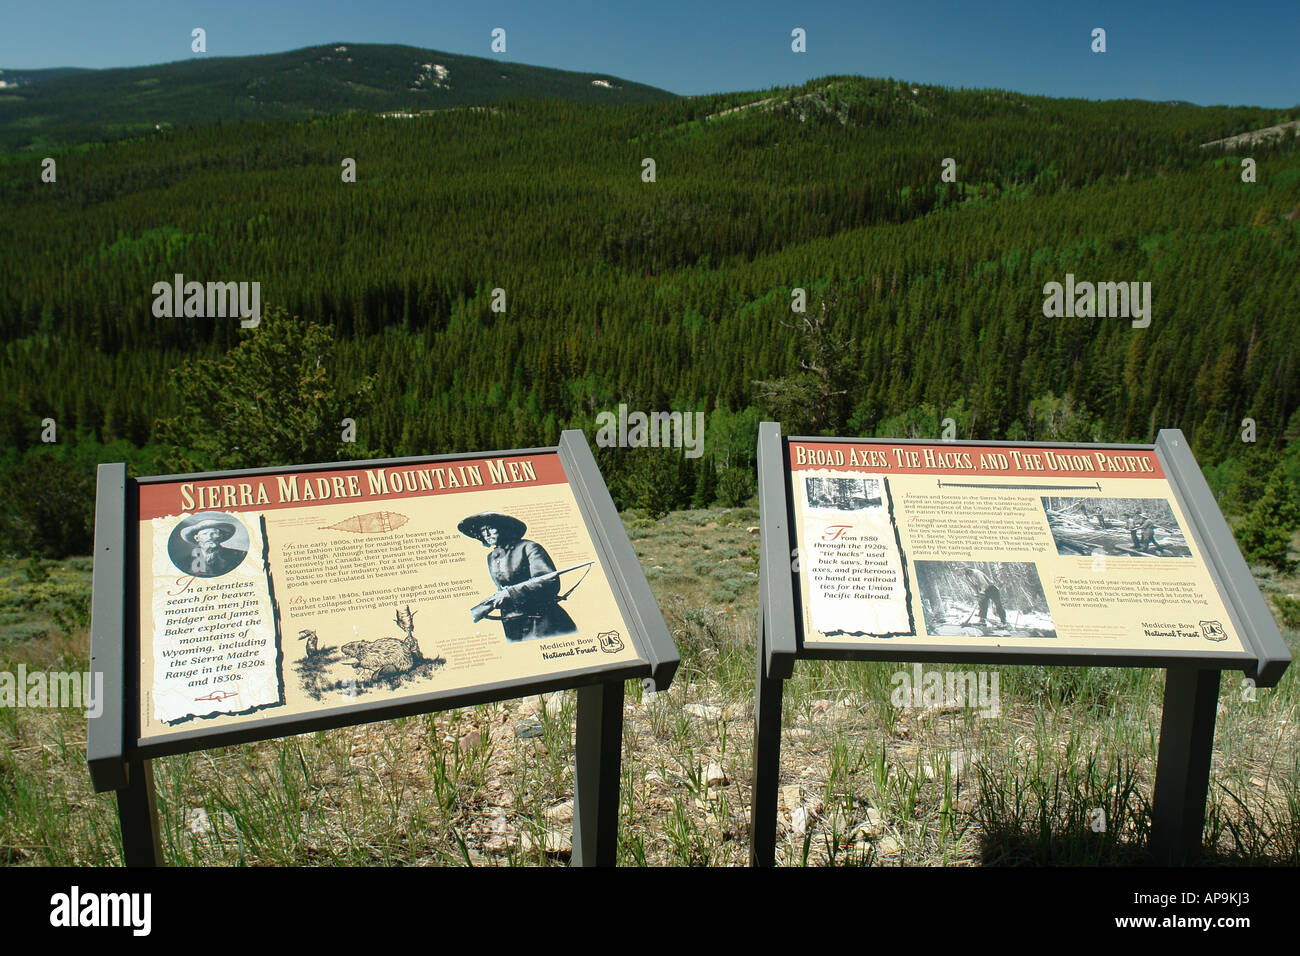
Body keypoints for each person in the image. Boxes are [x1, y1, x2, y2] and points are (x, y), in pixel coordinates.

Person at [458, 512, 578, 642]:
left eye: (491, 528)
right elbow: (502, 589)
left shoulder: (529, 547)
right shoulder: (492, 557)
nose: (486, 534)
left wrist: (510, 593)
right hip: (512, 624)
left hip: (543, 621)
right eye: (482, 531)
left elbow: (548, 582)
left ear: (503, 528)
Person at [180, 518, 246, 577]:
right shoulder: (185, 562)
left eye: (213, 533)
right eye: (204, 534)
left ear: (221, 536)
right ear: (197, 538)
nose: (209, 537)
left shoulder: (238, 555)